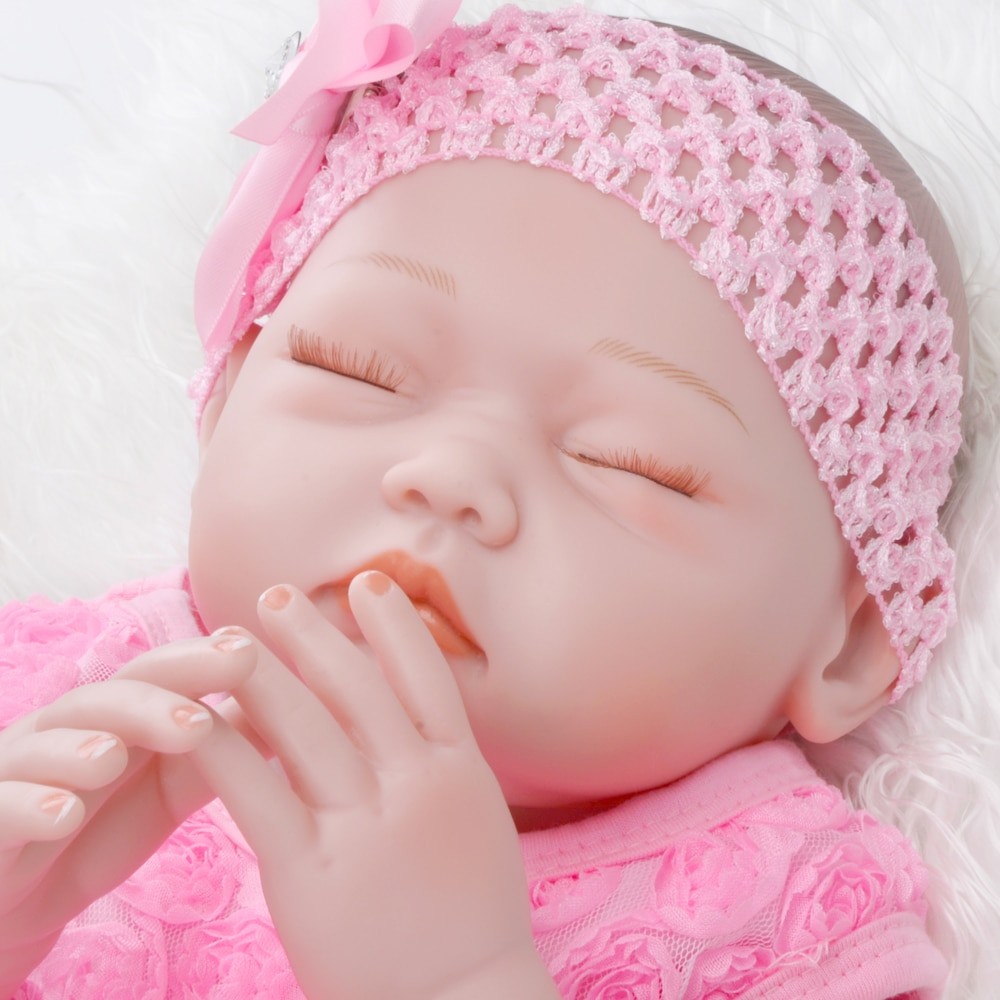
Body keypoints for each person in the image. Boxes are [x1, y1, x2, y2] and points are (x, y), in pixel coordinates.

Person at [0, 1, 989, 996]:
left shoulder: (782, 919)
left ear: (851, 643)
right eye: (358, 366)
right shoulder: (61, 711)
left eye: (628, 462)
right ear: (223, 397)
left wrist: (458, 976)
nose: (453, 472)